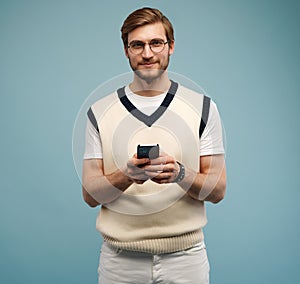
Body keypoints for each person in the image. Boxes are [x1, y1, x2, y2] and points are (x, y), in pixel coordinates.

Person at [82, 7, 226, 284]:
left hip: (186, 260)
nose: (147, 54)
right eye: (137, 45)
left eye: (156, 43)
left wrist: (180, 174)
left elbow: (218, 190)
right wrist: (126, 176)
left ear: (171, 47)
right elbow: (90, 196)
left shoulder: (203, 108)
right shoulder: (99, 112)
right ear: (126, 51)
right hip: (119, 262)